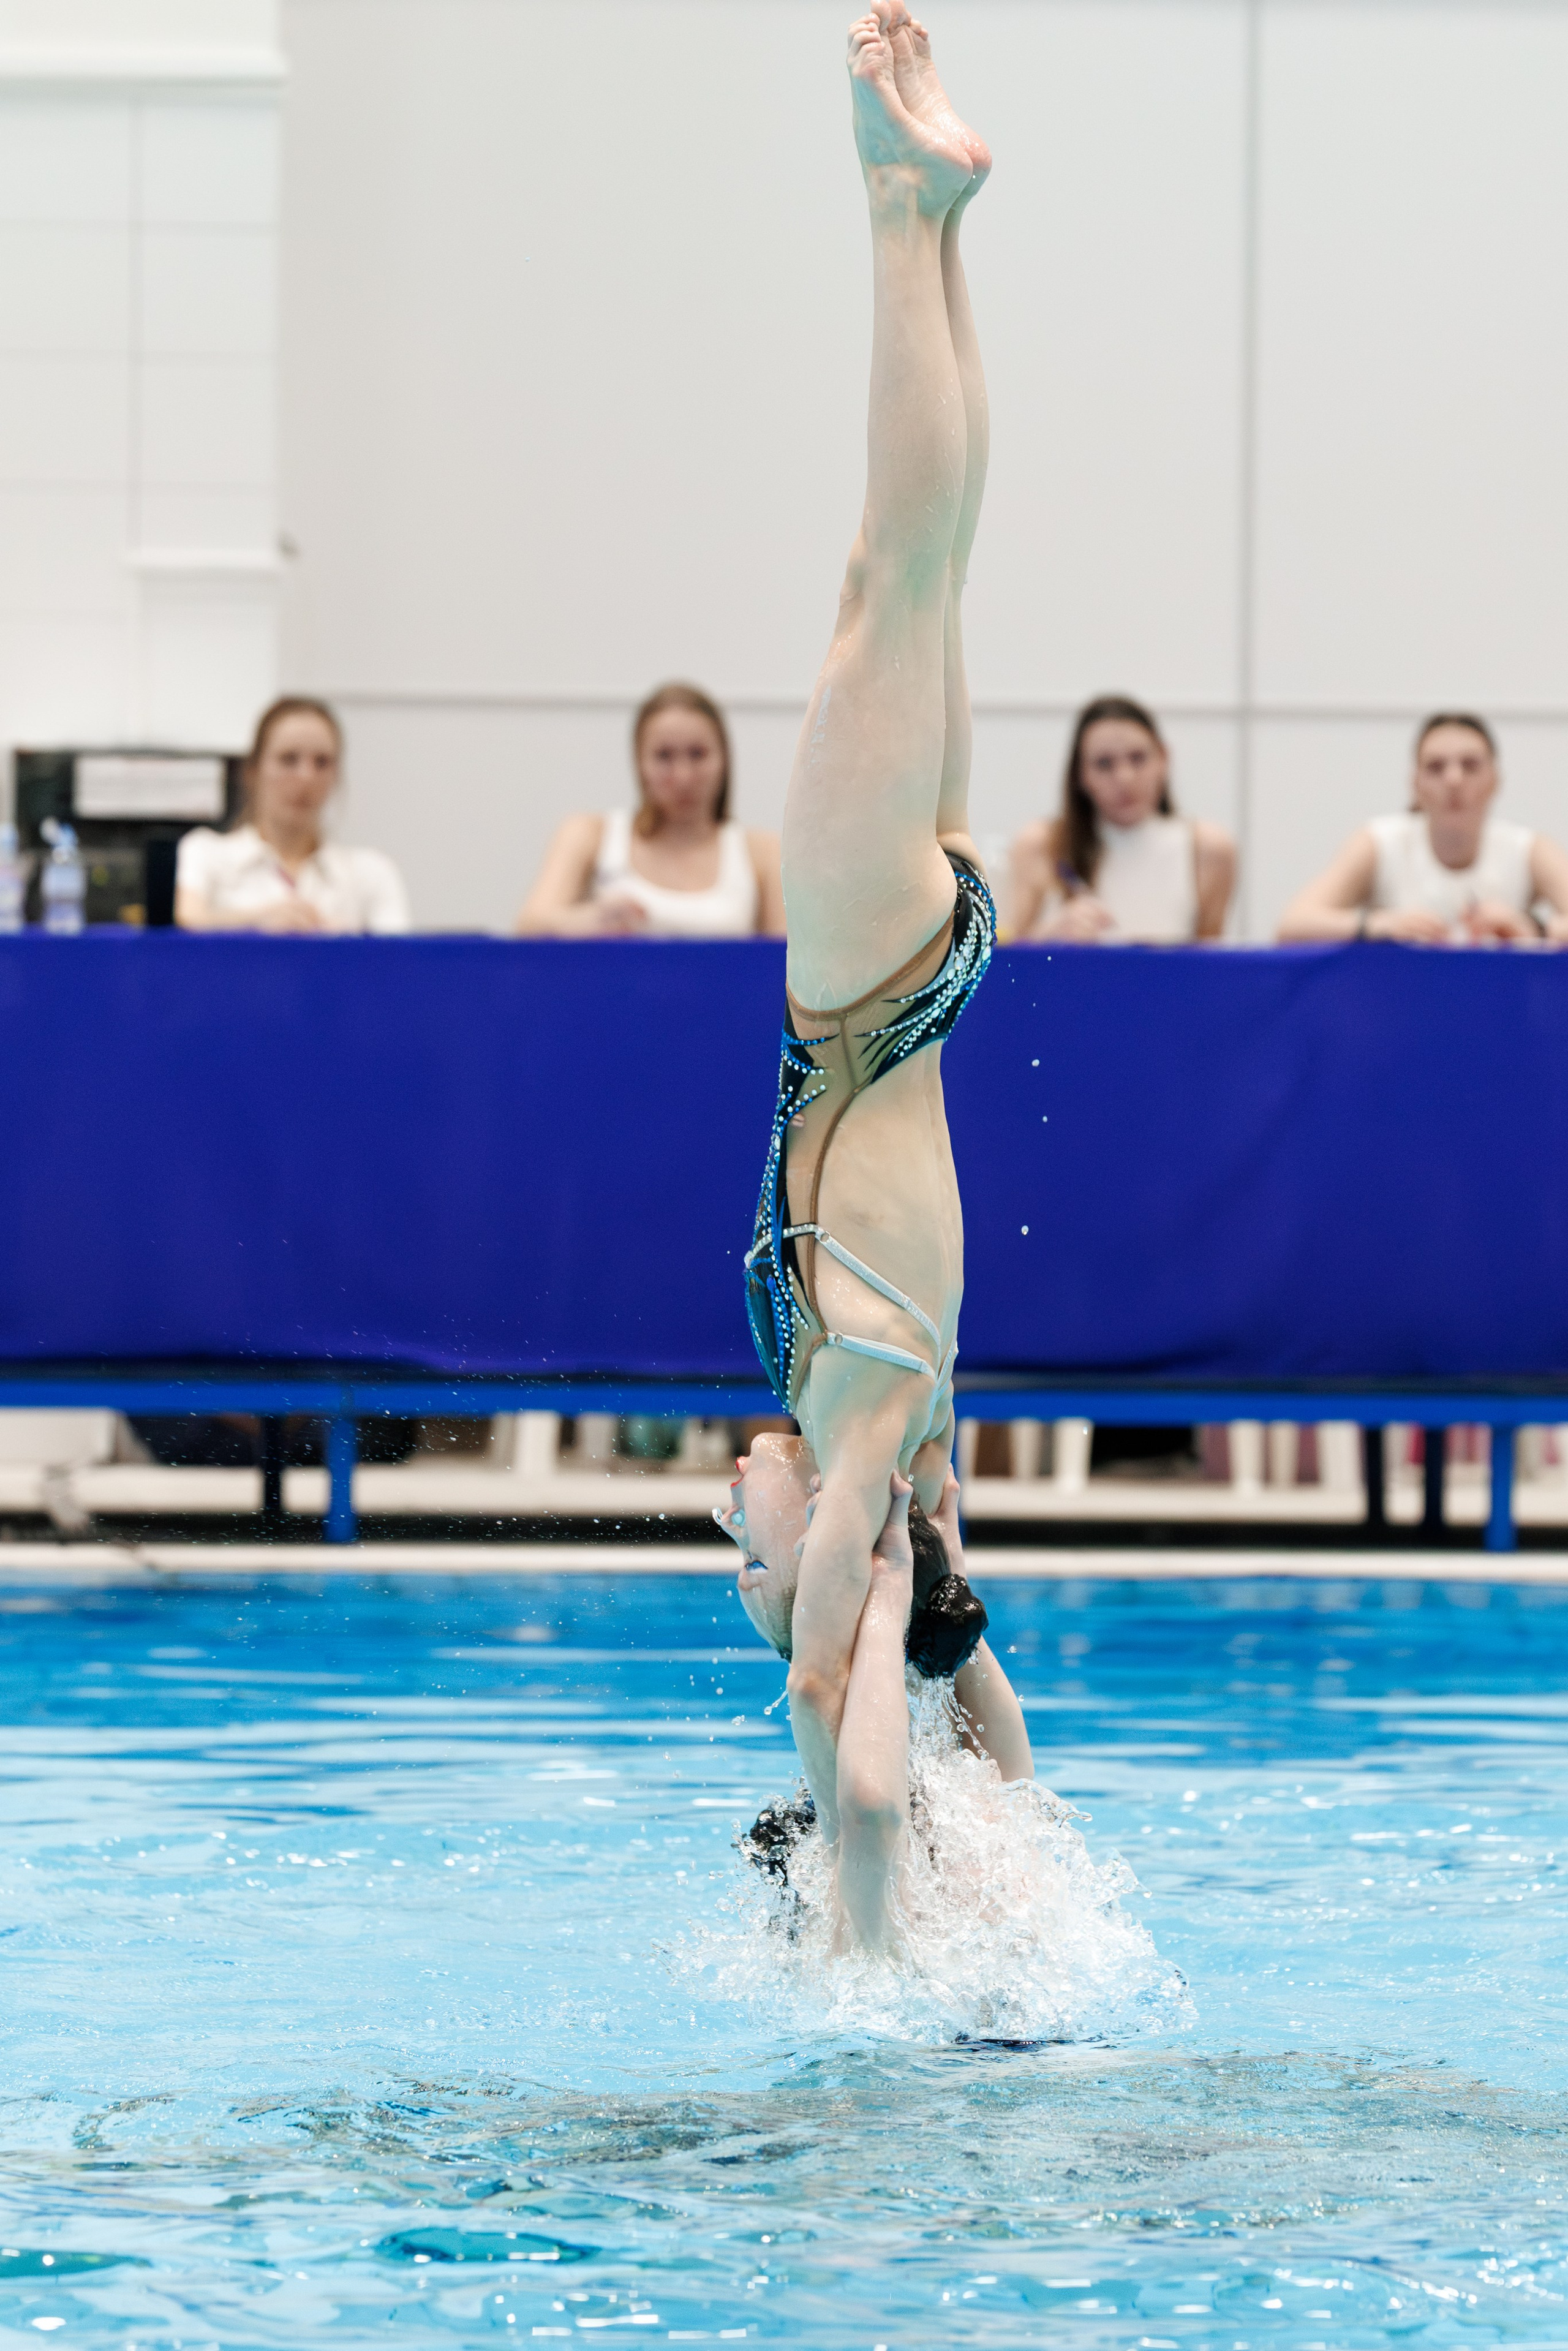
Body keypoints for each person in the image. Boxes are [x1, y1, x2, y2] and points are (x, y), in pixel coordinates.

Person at [726, 4, 997, 1955]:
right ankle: (895, 212)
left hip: (911, 981)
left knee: (927, 568)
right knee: (885, 576)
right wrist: (858, 1921)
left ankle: (937, 226)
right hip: (863, 985)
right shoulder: (857, 1498)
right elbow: (873, 1756)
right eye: (748, 1525)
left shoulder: (881, 1434)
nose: (724, 1494)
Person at [515, 682, 785, 937]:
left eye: (698, 754)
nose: (683, 777)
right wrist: (589, 920)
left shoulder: (762, 852)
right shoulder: (589, 834)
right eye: (664, 756)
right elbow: (529, 927)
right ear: (639, 763)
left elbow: (793, 964)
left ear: (724, 759)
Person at [1277, 712, 1568, 943]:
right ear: (1415, 784)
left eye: (1470, 765)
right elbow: (1292, 924)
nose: (1454, 779)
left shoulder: (1528, 849)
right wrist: (1381, 924)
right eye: (1435, 767)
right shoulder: (1380, 843)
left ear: (1495, 779)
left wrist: (1534, 929)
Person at [1006, 695, 1236, 943]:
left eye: (1138, 758)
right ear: (1080, 775)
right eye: (1104, 764)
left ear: (1164, 759)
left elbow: (1208, 969)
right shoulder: (1042, 844)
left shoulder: (1208, 849)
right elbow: (1009, 964)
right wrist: (1047, 936)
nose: (1124, 778)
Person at [176, 698, 410, 935]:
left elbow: (399, 964)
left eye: (322, 762)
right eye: (288, 759)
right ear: (253, 772)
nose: (306, 777)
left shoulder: (371, 874)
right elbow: (188, 922)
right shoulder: (206, 853)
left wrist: (345, 945)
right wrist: (258, 922)